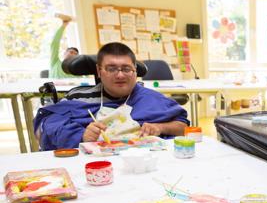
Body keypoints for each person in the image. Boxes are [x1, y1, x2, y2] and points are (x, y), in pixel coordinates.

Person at [34, 42, 188, 150]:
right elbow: (43, 130)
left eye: (126, 69)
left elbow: (184, 128)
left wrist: (159, 127)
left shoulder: (153, 99)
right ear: (99, 71)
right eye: (112, 69)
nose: (120, 75)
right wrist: (81, 136)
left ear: (135, 70)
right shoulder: (77, 97)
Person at [49, 13, 79, 78]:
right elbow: (54, 44)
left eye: (75, 54)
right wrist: (63, 26)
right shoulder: (55, 62)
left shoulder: (77, 71)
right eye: (71, 52)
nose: (73, 54)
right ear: (64, 53)